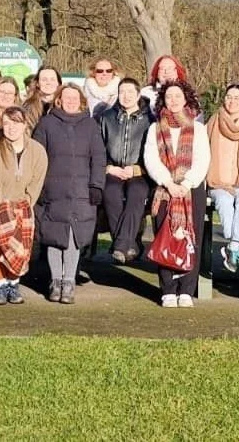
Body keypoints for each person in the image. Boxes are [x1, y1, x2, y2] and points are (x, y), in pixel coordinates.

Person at [32, 84, 107, 304]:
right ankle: (55, 282)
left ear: (81, 100)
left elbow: (99, 157)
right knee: (55, 236)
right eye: (66, 97)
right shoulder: (46, 124)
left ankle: (69, 281)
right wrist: (38, 187)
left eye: (75, 97)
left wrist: (96, 186)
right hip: (52, 191)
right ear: (58, 100)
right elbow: (37, 156)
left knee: (74, 238)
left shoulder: (90, 125)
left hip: (82, 191)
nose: (71, 101)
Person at [145, 81, 210, 307]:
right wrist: (168, 183)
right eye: (169, 96)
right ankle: (168, 290)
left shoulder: (198, 128)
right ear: (163, 100)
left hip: (192, 191)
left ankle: (187, 290)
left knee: (192, 238)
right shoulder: (155, 129)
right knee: (166, 236)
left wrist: (188, 183)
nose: (173, 100)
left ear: (186, 99)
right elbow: (151, 159)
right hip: (164, 191)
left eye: (177, 96)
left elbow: (203, 159)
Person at [0, 106, 49, 305]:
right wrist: (1, 210)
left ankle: (13, 283)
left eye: (16, 123)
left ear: (24, 124)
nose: (11, 128)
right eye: (7, 123)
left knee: (20, 246)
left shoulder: (37, 151)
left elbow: (35, 185)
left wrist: (23, 206)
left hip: (22, 208)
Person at [205, 83, 239, 274]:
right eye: (229, 97)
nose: (232, 101)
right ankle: (235, 245)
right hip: (218, 180)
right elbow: (204, 150)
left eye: (237, 98)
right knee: (224, 200)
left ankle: (233, 246)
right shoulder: (214, 121)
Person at [99, 77, 153, 263]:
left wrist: (138, 170)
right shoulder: (107, 118)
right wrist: (109, 168)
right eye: (122, 92)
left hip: (139, 172)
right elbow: (99, 148)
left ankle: (120, 245)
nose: (126, 96)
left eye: (131, 92)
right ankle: (130, 245)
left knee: (136, 194)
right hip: (113, 170)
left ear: (138, 95)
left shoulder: (150, 120)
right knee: (111, 193)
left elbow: (154, 153)